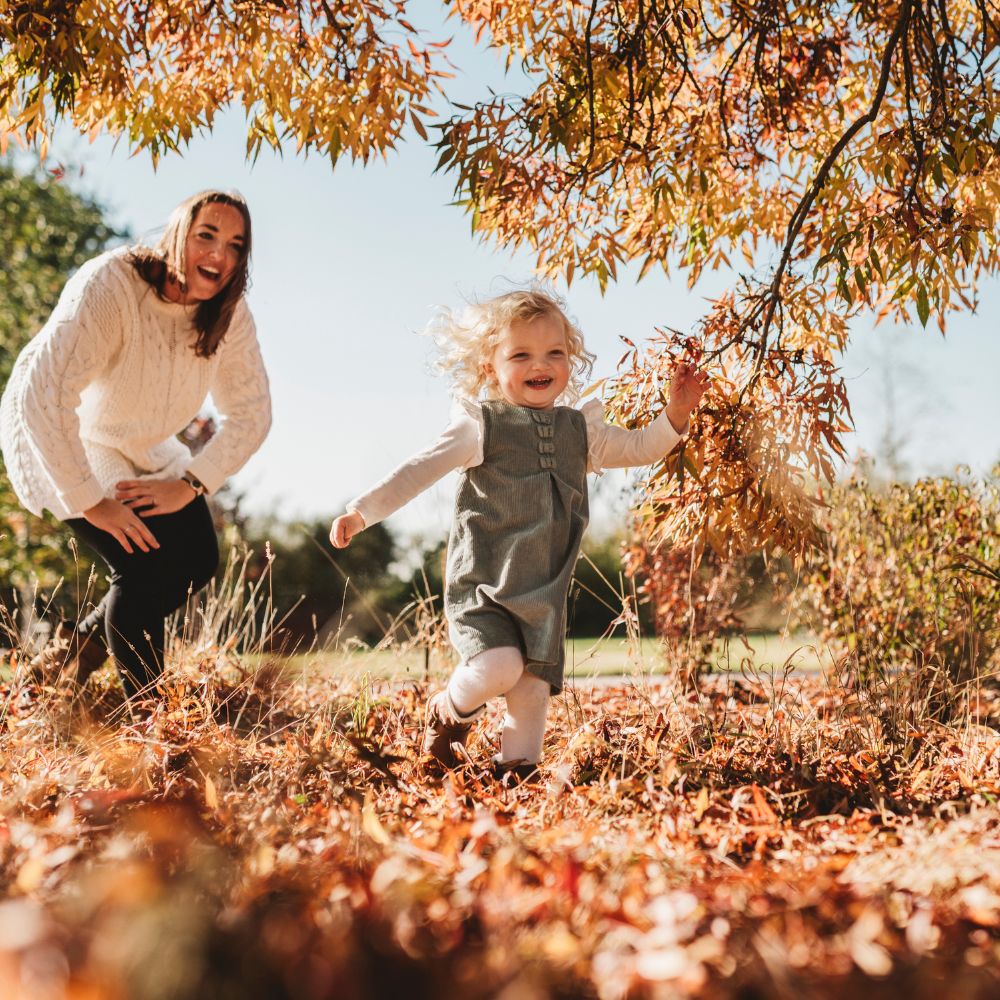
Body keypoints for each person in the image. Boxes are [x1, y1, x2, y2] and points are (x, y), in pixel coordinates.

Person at [329, 289, 707, 780]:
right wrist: (362, 511)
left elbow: (639, 447)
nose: (540, 364)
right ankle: (447, 712)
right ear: (490, 366)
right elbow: (418, 469)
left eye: (555, 352)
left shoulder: (580, 430)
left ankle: (516, 777)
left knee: (530, 694)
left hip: (543, 593)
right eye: (521, 354)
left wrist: (676, 414)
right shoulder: (481, 426)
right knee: (499, 667)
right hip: (485, 587)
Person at [0, 190, 272, 704]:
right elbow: (46, 394)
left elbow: (253, 413)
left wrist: (191, 483)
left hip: (139, 440)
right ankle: (153, 720)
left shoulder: (229, 315)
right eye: (206, 235)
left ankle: (74, 653)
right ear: (177, 235)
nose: (219, 254)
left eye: (235, 245)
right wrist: (92, 501)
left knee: (194, 561)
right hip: (63, 428)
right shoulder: (113, 283)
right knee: (142, 567)